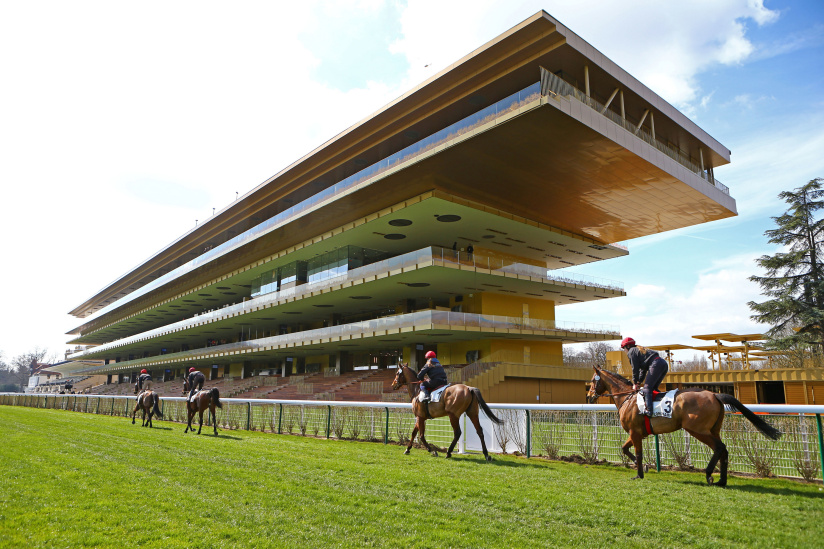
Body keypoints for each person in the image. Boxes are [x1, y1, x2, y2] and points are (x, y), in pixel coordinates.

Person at [620, 337, 669, 416]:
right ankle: (661, 407)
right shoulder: (638, 350)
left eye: (624, 348)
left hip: (656, 364)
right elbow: (643, 370)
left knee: (647, 389)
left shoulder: (631, 351)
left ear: (628, 347)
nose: (624, 351)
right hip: (663, 363)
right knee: (653, 389)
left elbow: (635, 369)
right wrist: (639, 382)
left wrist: (635, 383)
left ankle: (649, 411)